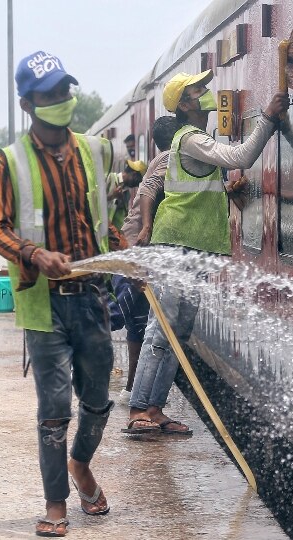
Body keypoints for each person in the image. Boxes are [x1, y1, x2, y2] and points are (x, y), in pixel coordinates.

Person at [0, 51, 126, 537]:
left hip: (92, 296)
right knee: (53, 407)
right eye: (49, 95)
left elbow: (103, 217)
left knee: (98, 399)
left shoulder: (95, 149)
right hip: (45, 304)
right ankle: (56, 504)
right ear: (28, 104)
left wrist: (128, 257)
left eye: (65, 91)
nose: (61, 102)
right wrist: (33, 253)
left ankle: (81, 462)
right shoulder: (10, 161)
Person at [124, 70, 288, 435]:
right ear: (184, 104)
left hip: (195, 246)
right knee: (161, 329)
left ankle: (155, 408)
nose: (206, 94)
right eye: (198, 90)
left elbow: (200, 191)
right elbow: (241, 155)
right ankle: (138, 410)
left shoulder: (195, 140)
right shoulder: (190, 138)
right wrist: (268, 119)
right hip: (176, 244)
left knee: (178, 331)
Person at [108, 116, 180, 406]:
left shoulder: (162, 160)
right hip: (136, 253)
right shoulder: (168, 160)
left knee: (136, 323)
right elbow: (151, 194)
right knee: (117, 315)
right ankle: (71, 337)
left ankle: (129, 389)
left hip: (132, 251)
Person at [106, 159, 146, 231]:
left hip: (114, 234)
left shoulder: (127, 194)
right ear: (134, 174)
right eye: (138, 181)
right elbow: (95, 201)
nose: (137, 185)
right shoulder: (109, 179)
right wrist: (112, 196)